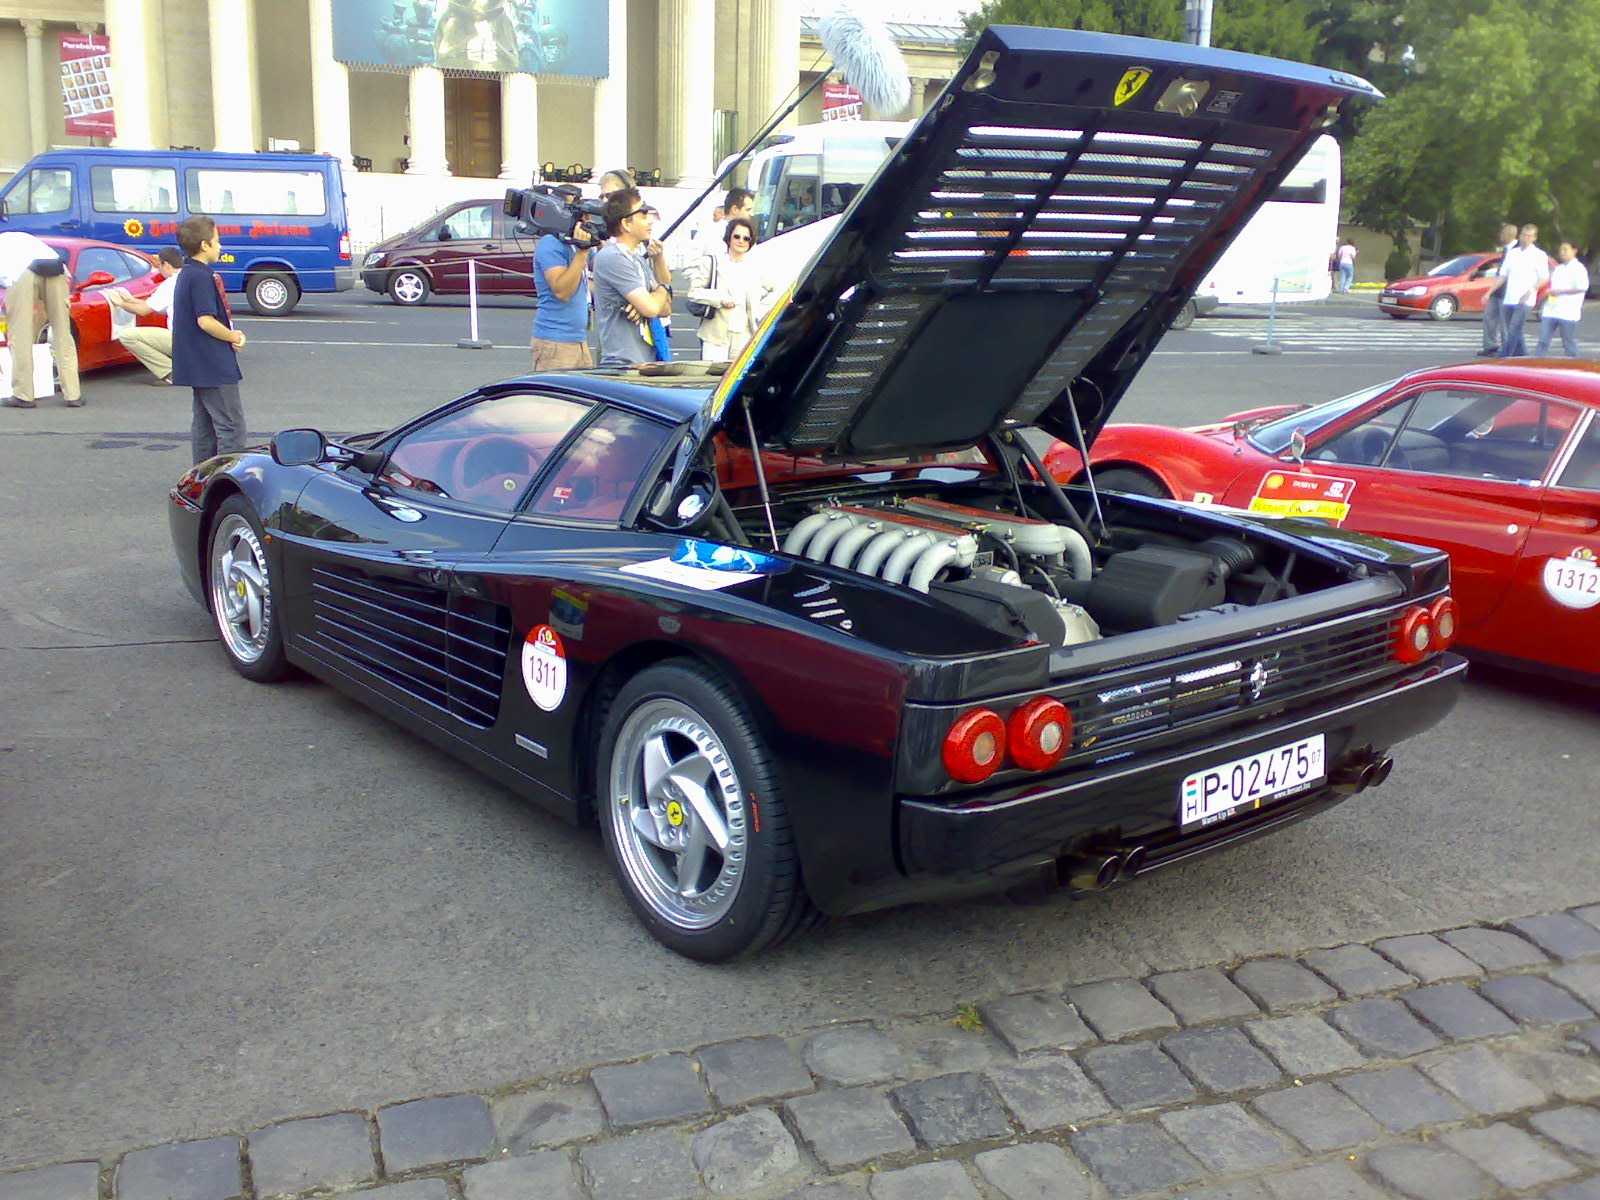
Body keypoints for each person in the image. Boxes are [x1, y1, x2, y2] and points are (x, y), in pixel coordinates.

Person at [171, 215, 247, 462]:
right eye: (217, 240)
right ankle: (226, 481)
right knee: (231, 427)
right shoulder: (202, 276)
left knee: (205, 427)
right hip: (213, 362)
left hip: (196, 362)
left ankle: (200, 479)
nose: (220, 245)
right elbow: (205, 320)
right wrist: (232, 335)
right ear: (205, 245)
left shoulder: (187, 272)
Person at [592, 187, 673, 366]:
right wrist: (661, 289)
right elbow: (652, 308)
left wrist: (649, 300)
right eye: (643, 215)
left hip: (647, 362)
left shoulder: (636, 258)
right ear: (626, 224)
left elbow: (666, 309)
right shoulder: (612, 257)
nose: (650, 220)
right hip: (623, 365)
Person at [0, 230, 82, 408]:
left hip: (22, 272)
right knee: (62, 333)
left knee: (20, 334)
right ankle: (73, 394)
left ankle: (23, 394)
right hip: (56, 267)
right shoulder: (20, 237)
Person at [687, 217, 773, 362]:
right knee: (714, 378)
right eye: (737, 236)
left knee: (738, 381)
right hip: (716, 334)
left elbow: (775, 290)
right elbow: (694, 292)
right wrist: (719, 299)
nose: (741, 241)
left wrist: (761, 309)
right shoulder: (712, 262)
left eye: (746, 238)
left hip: (745, 335)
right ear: (729, 238)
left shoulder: (755, 267)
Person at [530, 184, 594, 371]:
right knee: (553, 400)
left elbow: (601, 270)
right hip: (555, 342)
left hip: (578, 340)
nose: (580, 216)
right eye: (574, 210)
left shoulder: (574, 242)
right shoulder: (550, 244)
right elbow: (562, 291)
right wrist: (582, 253)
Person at [106, 246, 184, 383]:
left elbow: (144, 310)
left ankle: (171, 372)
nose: (158, 269)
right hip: (200, 340)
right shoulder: (188, 278)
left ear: (166, 264)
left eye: (159, 265)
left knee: (128, 336)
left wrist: (120, 304)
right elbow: (155, 305)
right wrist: (130, 300)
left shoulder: (170, 283)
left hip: (183, 340)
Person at [1498, 223, 1550, 358]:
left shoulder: (1539, 255)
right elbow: (1503, 275)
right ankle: (1523, 356)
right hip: (1509, 298)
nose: (1525, 238)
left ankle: (1504, 357)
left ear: (1534, 238)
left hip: (1525, 299)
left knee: (1513, 329)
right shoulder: (1512, 253)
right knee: (1516, 331)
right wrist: (1489, 292)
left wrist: (1531, 290)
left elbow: (1544, 278)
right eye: (1523, 235)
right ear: (1520, 236)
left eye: (1529, 236)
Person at [1536, 240, 1588, 357]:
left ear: (1574, 251)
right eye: (1561, 250)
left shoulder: (1579, 269)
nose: (1563, 253)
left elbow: (1582, 287)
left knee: (1567, 342)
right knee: (1543, 341)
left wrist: (1561, 291)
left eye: (1566, 250)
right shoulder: (1558, 268)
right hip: (1551, 310)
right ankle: (1536, 363)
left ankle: (1574, 366)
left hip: (1568, 312)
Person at [1478, 222, 1519, 357]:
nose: (1500, 236)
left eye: (1502, 233)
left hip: (1508, 291)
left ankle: (1507, 349)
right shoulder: (1506, 249)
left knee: (1505, 323)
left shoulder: (1518, 250)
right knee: (1489, 317)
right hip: (1497, 289)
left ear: (1507, 235)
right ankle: (1490, 346)